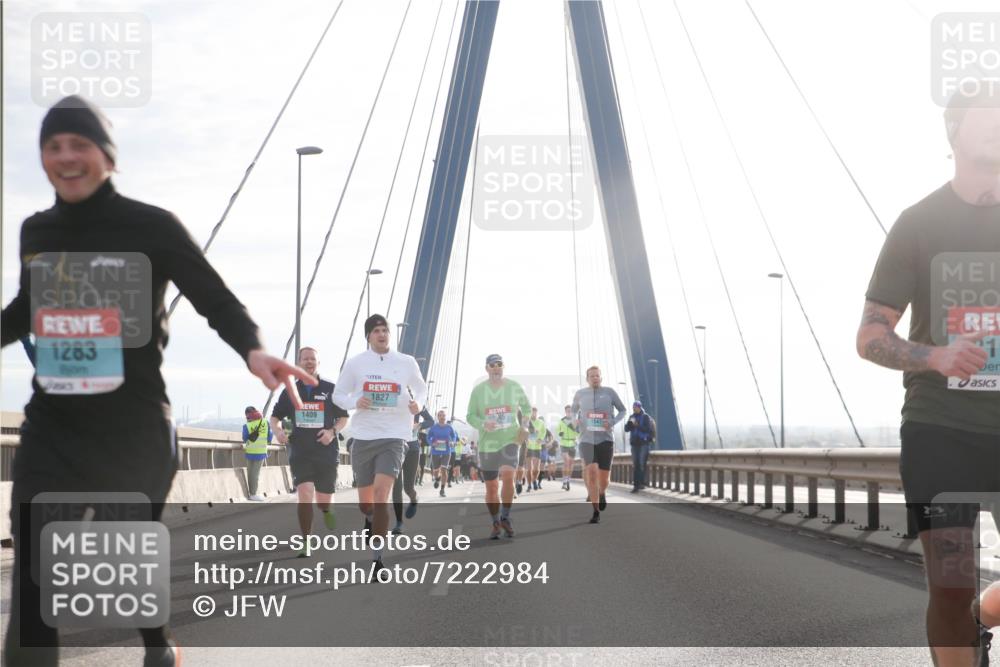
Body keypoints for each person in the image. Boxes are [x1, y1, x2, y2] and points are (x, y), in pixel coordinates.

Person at [0, 95, 315, 666]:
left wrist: (253, 350)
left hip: (134, 427)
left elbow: (212, 296)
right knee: (34, 576)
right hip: (54, 425)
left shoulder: (151, 226)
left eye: (80, 145)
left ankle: (157, 644)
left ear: (109, 157)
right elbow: (26, 308)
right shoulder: (37, 231)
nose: (66, 157)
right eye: (53, 146)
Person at [856, 85, 1000, 666]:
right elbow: (869, 336)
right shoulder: (918, 224)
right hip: (940, 429)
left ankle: (982, 617)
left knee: (970, 601)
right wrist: (935, 356)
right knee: (950, 584)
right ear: (956, 130)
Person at [333, 314, 426, 575]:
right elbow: (338, 395)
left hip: (395, 436)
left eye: (385, 330)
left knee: (382, 494)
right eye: (376, 331)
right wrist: (355, 402)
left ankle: (377, 559)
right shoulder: (356, 364)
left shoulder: (406, 362)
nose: (382, 334)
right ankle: (369, 516)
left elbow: (421, 389)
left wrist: (419, 404)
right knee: (368, 503)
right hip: (363, 436)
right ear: (368, 336)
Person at [270, 347, 347, 556]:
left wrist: (332, 432)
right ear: (299, 363)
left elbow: (343, 418)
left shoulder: (331, 389)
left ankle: (328, 509)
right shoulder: (290, 391)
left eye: (313, 359)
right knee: (304, 493)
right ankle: (306, 541)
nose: (309, 362)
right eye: (305, 359)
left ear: (318, 363)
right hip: (301, 450)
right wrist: (277, 431)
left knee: (323, 500)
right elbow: (274, 417)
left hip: (326, 451)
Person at [466, 354, 531, 538]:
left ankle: (506, 517)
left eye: (499, 364)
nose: (496, 368)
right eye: (492, 365)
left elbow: (526, 408)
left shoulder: (514, 387)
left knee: (508, 475)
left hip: (510, 439)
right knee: (492, 488)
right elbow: (470, 415)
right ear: (486, 368)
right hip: (487, 444)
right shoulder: (478, 391)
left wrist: (524, 425)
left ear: (504, 366)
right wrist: (482, 424)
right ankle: (495, 521)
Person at [571, 366, 626, 524]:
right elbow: (574, 410)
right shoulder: (580, 394)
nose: (595, 378)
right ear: (587, 378)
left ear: (601, 378)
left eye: (597, 376)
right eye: (592, 376)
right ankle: (595, 511)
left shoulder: (609, 392)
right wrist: (575, 419)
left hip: (606, 439)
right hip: (587, 440)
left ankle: (602, 493)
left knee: (604, 478)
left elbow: (622, 410)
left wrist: (612, 422)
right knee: (592, 473)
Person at [392, 407, 432, 534]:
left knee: (408, 488)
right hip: (394, 448)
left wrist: (419, 425)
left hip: (412, 449)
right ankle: (399, 522)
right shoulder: (392, 398)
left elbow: (431, 421)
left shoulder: (417, 403)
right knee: (396, 486)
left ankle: (414, 499)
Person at [242, 405, 273, 501]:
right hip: (260, 452)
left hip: (249, 452)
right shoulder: (265, 422)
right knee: (256, 474)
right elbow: (270, 436)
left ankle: (251, 493)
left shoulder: (246, 426)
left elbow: (244, 438)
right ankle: (253, 494)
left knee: (250, 473)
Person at [624, 401, 656, 492]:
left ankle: (641, 483)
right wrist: (629, 425)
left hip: (643, 443)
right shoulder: (632, 417)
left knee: (642, 463)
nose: (634, 409)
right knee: (636, 464)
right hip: (634, 444)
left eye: (636, 407)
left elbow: (648, 429)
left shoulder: (646, 417)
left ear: (640, 407)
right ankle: (636, 485)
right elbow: (626, 429)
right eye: (633, 407)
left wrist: (638, 426)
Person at [426, 410, 458, 498]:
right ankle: (437, 478)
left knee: (444, 469)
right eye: (440, 416)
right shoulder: (434, 427)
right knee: (436, 470)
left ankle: (442, 489)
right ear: (437, 417)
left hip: (447, 451)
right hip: (435, 451)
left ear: (445, 417)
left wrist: (453, 442)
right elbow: (428, 437)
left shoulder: (449, 427)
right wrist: (432, 443)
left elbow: (454, 436)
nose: (442, 417)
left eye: (443, 415)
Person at [556, 404, 580, 491]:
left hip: (573, 443)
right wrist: (560, 433)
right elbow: (557, 429)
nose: (569, 412)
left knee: (571, 463)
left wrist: (577, 431)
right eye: (567, 411)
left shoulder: (575, 421)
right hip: (564, 443)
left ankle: (568, 479)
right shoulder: (562, 421)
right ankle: (565, 481)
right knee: (566, 461)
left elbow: (579, 432)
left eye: (570, 411)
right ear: (565, 412)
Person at [524, 407, 546, 491]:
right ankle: (529, 485)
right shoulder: (526, 422)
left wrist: (540, 438)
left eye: (535, 412)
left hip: (537, 447)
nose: (533, 414)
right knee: (529, 468)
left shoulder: (540, 422)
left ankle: (534, 481)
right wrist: (526, 439)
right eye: (532, 412)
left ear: (537, 413)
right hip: (528, 447)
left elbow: (543, 431)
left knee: (536, 469)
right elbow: (523, 431)